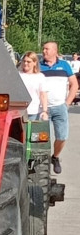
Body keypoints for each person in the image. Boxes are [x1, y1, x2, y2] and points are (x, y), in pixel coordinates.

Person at [39, 41, 78, 174]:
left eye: (47, 49)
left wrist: (67, 103)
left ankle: (55, 157)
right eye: (43, 49)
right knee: (41, 138)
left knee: (62, 136)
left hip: (60, 107)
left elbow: (74, 84)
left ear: (55, 51)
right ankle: (40, 162)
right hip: (42, 109)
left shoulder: (64, 65)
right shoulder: (38, 66)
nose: (44, 51)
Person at [19, 51, 48, 120]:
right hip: (19, 111)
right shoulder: (18, 75)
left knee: (32, 130)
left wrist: (45, 111)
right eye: (24, 61)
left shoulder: (40, 77)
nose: (25, 63)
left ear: (34, 63)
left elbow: (43, 94)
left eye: (28, 62)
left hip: (33, 111)